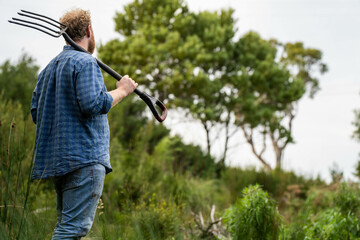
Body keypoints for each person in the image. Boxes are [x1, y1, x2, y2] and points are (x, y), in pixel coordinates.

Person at [30, 8, 138, 239]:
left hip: (57, 162)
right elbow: (94, 104)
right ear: (89, 30)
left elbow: (37, 114)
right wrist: (123, 91)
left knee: (66, 226)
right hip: (84, 159)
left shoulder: (46, 71)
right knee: (72, 229)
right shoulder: (86, 62)